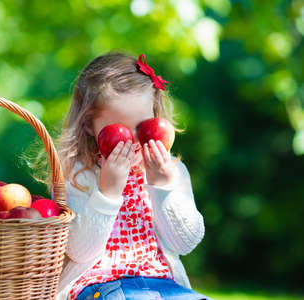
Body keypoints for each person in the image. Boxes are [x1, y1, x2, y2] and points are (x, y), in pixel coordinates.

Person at [50, 51, 208, 300]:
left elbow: (185, 243)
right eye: (120, 129)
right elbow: (79, 251)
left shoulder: (172, 171)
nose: (135, 140)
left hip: (163, 284)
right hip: (99, 285)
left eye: (143, 126)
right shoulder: (76, 176)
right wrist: (108, 192)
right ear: (89, 125)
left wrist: (163, 187)